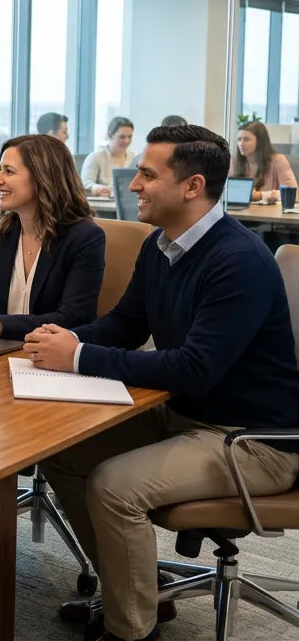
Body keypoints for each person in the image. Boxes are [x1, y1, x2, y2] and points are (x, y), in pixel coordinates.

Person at [24, 125, 299, 641]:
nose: (134, 185)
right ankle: (139, 591)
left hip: (252, 439)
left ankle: (132, 630)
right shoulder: (161, 246)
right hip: (186, 415)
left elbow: (194, 367)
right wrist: (60, 339)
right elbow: (125, 326)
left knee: (113, 486)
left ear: (192, 186)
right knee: (63, 451)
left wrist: (79, 356)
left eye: (148, 175)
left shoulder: (237, 261)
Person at [0, 134, 104, 340]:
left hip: (55, 358)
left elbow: (74, 317)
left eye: (9, 171)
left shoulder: (85, 237)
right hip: (1, 352)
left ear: (42, 177)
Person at [232, 120, 297, 202]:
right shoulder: (233, 162)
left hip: (269, 214)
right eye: (239, 139)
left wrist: (260, 195)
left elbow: (293, 194)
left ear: (260, 142)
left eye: (246, 139)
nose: (241, 143)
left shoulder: (277, 161)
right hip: (238, 213)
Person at [80, 117, 137, 198]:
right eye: (122, 137)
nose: (127, 141)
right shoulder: (95, 157)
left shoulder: (134, 158)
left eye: (130, 137)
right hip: (102, 206)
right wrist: (96, 188)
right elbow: (85, 185)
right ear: (110, 135)